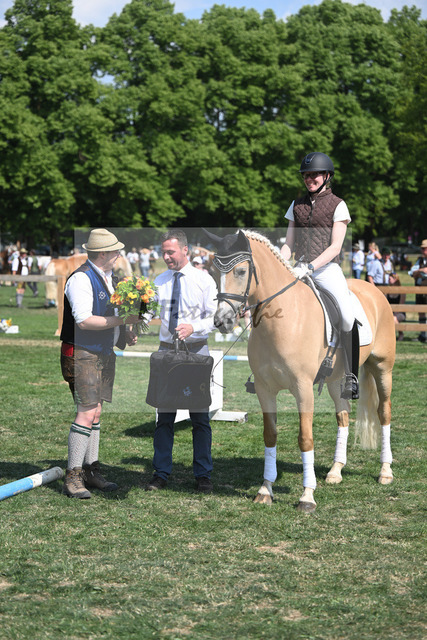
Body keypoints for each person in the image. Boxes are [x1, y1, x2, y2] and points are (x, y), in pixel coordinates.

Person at [60, 229, 140, 499]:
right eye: (116, 251)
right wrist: (122, 321)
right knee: (86, 412)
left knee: (95, 413)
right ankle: (73, 477)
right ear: (103, 254)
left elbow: (109, 315)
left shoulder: (109, 278)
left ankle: (90, 470)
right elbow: (84, 321)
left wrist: (125, 332)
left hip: (102, 352)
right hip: (82, 352)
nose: (119, 255)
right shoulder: (81, 278)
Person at [281, 151, 359, 399]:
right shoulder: (296, 205)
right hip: (298, 268)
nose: (309, 179)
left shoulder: (338, 205)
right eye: (306, 175)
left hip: (326, 270)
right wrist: (280, 263)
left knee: (346, 316)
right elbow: (288, 244)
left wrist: (311, 267)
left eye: (314, 174)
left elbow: (335, 247)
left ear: (327, 176)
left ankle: (351, 375)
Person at [145, 229, 217, 494]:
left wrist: (193, 327)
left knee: (200, 418)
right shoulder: (159, 280)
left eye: (170, 252)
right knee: (164, 417)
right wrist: (135, 322)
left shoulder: (204, 280)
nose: (166, 257)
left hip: (196, 353)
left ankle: (203, 475)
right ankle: (161, 473)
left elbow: (215, 317)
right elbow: (148, 312)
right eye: (163, 252)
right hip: (166, 353)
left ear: (185, 250)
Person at [408, 239, 427, 343]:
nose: (423, 251)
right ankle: (423, 335)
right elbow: (411, 272)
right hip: (420, 290)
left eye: (424, 249)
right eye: (422, 249)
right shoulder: (420, 261)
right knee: (421, 312)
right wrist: (420, 271)